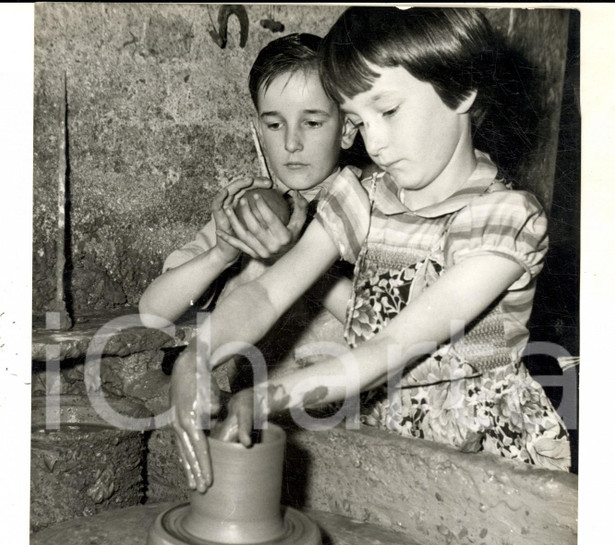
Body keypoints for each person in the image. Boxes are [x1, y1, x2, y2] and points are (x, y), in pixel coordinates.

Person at [170, 6, 572, 493]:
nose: (375, 143)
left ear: (461, 89)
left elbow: (391, 347)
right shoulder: (358, 197)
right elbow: (268, 294)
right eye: (358, 121)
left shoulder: (503, 218)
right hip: (388, 444)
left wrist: (263, 397)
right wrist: (198, 356)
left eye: (388, 110)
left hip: (488, 460)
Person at [139, 33, 355, 328]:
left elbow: (382, 327)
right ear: (259, 131)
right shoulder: (248, 211)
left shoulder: (367, 205)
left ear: (347, 128)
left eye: (313, 122)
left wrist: (296, 259)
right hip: (248, 372)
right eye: (275, 124)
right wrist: (221, 255)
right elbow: (152, 315)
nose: (291, 142)